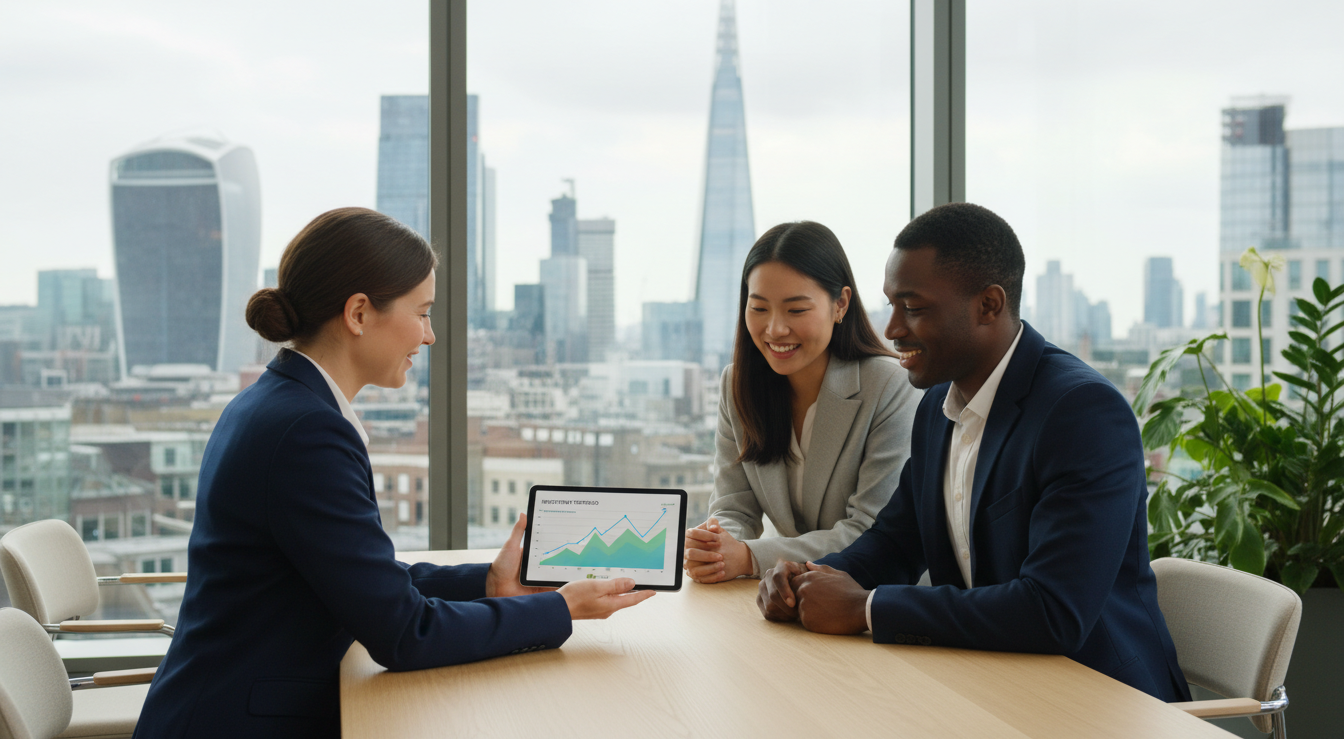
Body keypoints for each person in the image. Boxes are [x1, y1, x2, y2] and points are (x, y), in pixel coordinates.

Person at [134, 208, 653, 739]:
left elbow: (358, 578)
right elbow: (406, 634)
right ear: (359, 313)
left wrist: (487, 581)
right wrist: (558, 609)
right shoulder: (307, 431)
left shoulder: (278, 403)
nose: (429, 336)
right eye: (422, 312)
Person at [755, 203, 1191, 702]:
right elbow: (896, 543)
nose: (892, 328)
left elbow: (1053, 611)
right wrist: (806, 581)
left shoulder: (1082, 413)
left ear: (988, 305)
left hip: (1100, 699)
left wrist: (866, 608)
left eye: (913, 308)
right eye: (891, 305)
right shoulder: (937, 404)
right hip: (989, 683)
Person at [683, 221, 920, 583]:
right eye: (759, 308)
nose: (775, 329)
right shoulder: (738, 384)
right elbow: (734, 507)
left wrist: (748, 557)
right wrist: (717, 545)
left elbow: (870, 532)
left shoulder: (888, 385)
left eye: (795, 310)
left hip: (877, 599)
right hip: (793, 597)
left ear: (840, 304)